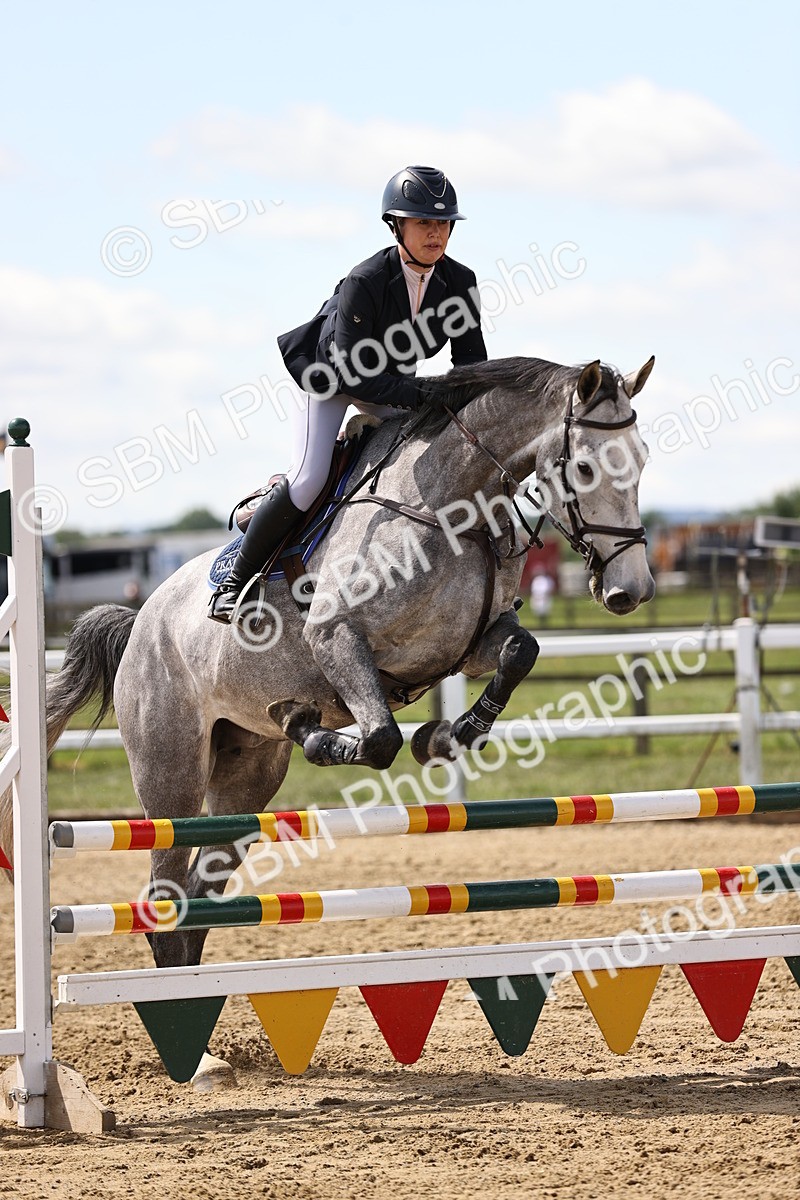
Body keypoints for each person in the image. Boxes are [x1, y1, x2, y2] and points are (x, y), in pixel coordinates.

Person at [209, 164, 488, 623]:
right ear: (397, 226)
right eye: (424, 223)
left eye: (443, 224)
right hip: (333, 377)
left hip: (393, 381)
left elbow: (471, 363)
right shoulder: (366, 280)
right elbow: (356, 374)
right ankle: (233, 581)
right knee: (309, 478)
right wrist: (423, 394)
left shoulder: (460, 282)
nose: (436, 234)